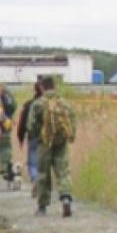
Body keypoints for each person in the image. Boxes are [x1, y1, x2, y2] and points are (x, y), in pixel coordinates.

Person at [32, 76, 75, 217]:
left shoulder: (38, 104)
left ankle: (42, 207)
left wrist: (37, 135)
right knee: (63, 171)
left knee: (43, 174)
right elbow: (72, 121)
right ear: (55, 86)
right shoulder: (64, 103)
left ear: (42, 87)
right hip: (61, 142)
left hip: (44, 143)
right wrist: (70, 136)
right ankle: (66, 198)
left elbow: (31, 126)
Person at [0, 72, 18, 186]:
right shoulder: (5, 91)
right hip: (5, 124)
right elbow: (13, 105)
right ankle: (5, 168)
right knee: (5, 147)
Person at [17, 79, 43, 183]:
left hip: (32, 136)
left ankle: (34, 179)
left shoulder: (28, 104)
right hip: (46, 137)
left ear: (34, 90)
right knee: (44, 161)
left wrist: (21, 137)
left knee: (32, 162)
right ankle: (42, 181)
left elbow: (22, 122)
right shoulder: (50, 104)